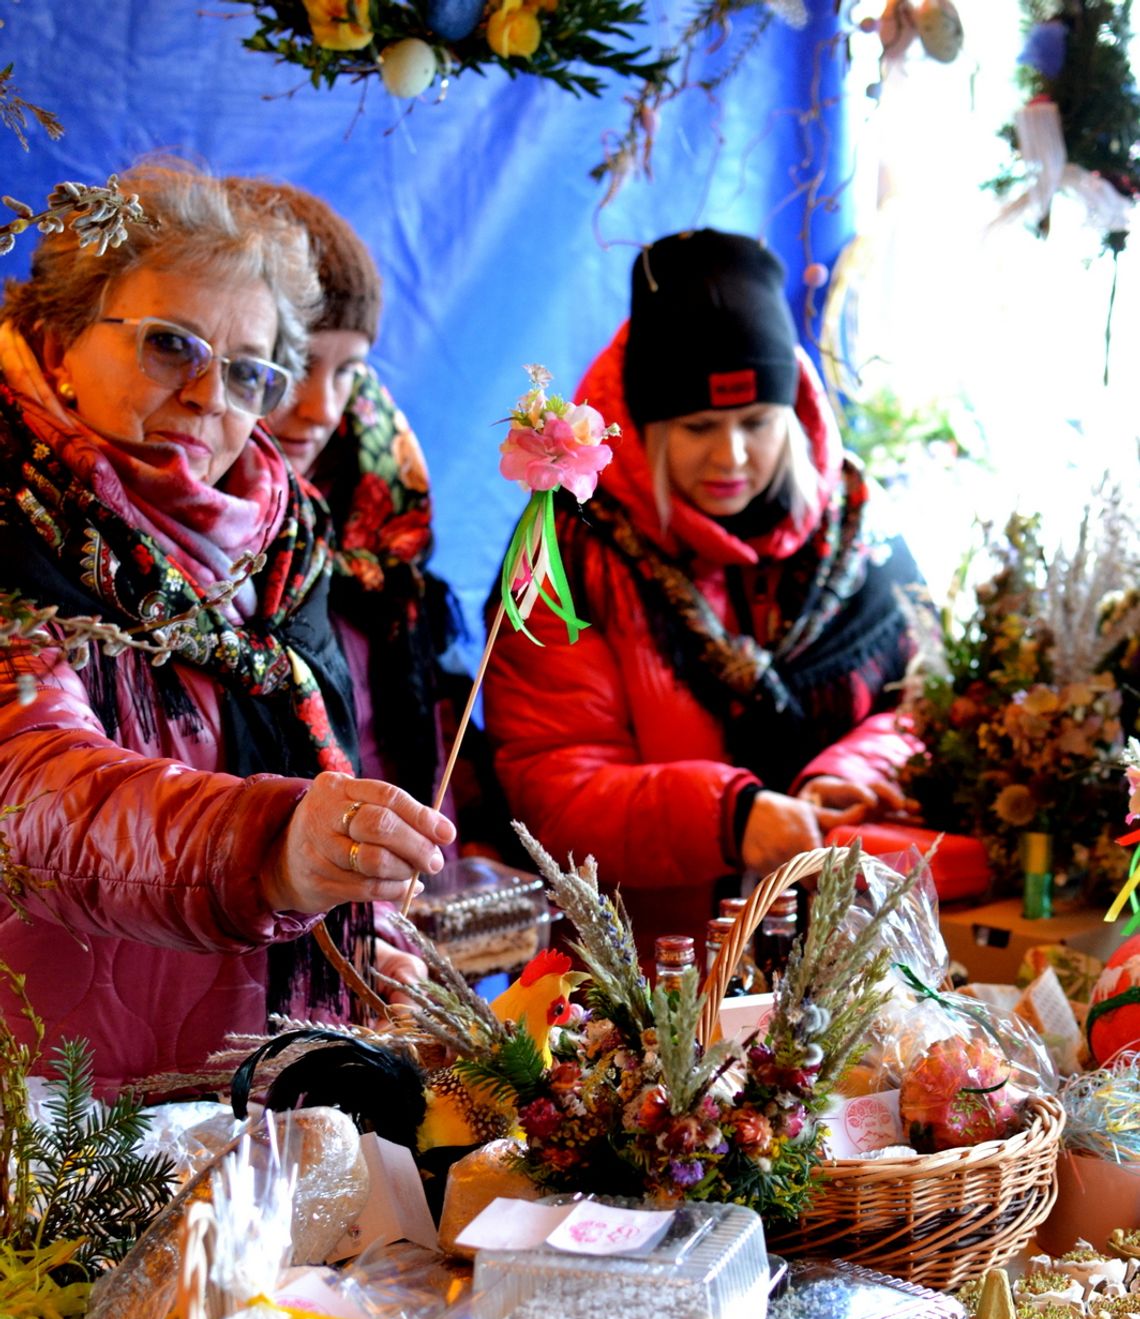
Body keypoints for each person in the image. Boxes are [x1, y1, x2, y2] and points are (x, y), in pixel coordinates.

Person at [0, 161, 454, 1094]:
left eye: (249, 373)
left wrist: (364, 943)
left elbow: (323, 793)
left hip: (252, 1101)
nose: (212, 398)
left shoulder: (280, 553)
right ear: (59, 340)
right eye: (172, 345)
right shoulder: (13, 527)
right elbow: (32, 789)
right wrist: (273, 846)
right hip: (62, 1120)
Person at [483, 228, 919, 958]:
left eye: (756, 422)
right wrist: (729, 817)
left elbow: (923, 706)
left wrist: (845, 776)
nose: (733, 456)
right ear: (645, 425)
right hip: (654, 994)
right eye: (699, 427)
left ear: (795, 412)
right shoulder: (567, 554)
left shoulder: (859, 531)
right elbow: (551, 788)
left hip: (857, 960)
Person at [243, 178, 514, 857]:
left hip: (403, 909)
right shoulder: (198, 547)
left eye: (348, 371)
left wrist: (475, 838)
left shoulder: (385, 517)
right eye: (294, 362)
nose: (321, 407)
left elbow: (436, 709)